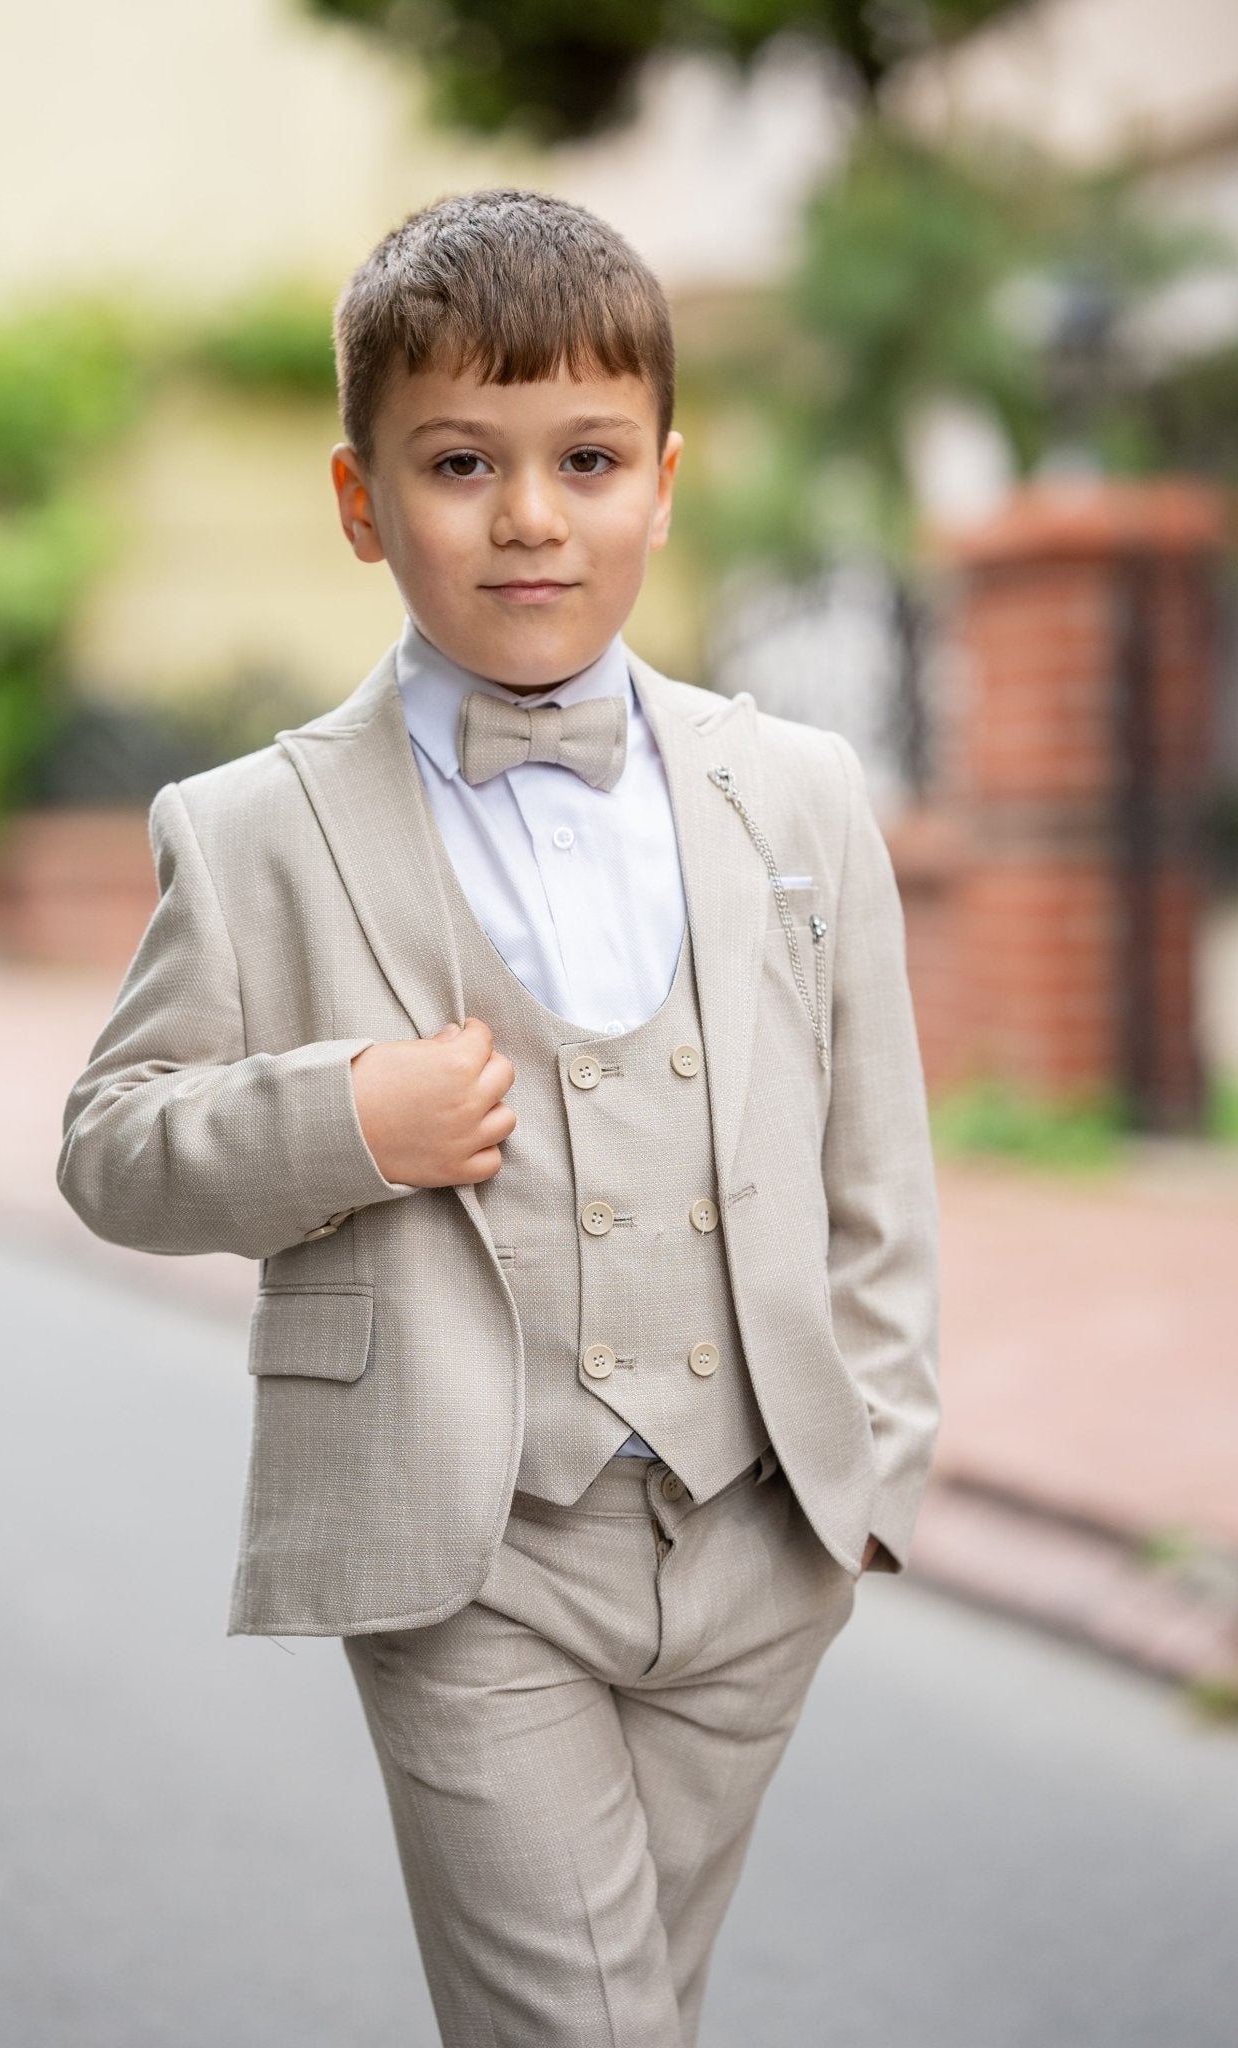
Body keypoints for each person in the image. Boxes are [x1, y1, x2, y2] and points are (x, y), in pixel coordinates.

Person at [58, 187, 940, 2048]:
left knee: (632, 2007)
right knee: (582, 2027)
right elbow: (111, 1145)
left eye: (588, 458)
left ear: (664, 481)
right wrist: (345, 1118)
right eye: (462, 462)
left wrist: (871, 1478)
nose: (531, 516)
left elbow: (880, 1166)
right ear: (363, 500)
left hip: (758, 1541)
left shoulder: (795, 790)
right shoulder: (254, 830)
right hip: (469, 1548)